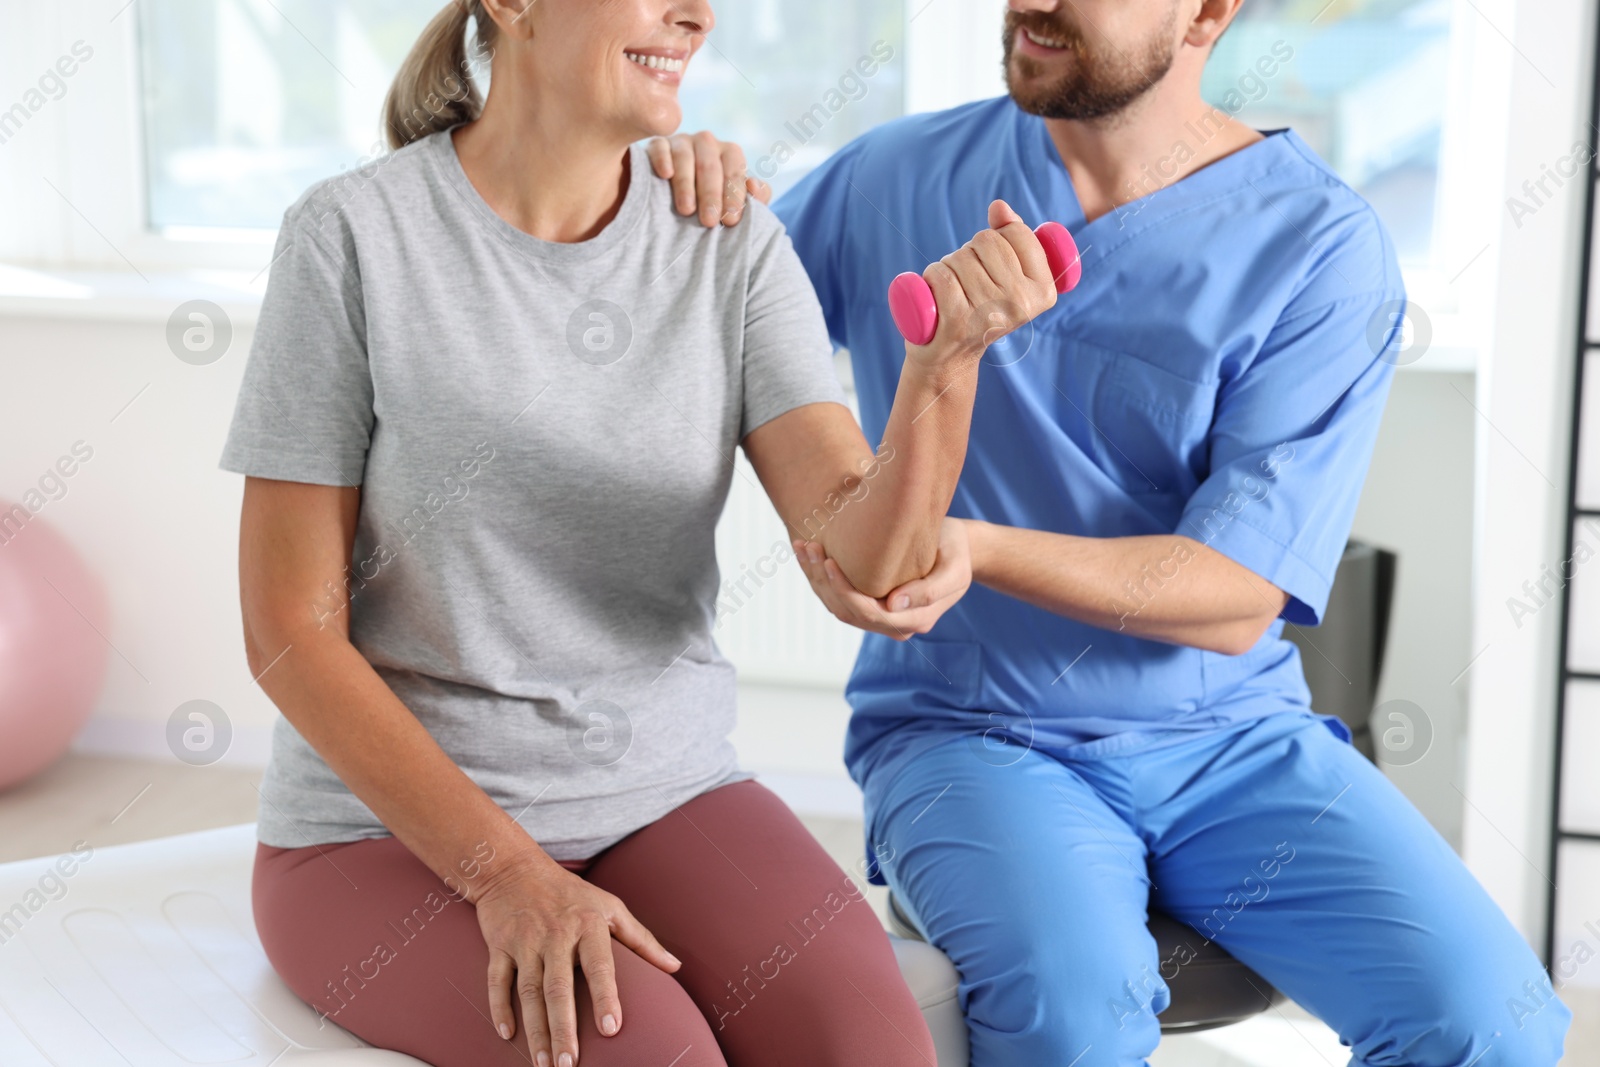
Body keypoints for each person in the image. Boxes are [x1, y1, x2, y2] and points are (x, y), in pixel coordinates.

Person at [650, 0, 1574, 1063]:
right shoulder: (889, 177)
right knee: (1074, 1006)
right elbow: (696, 321)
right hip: (972, 730)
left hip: (1232, 743)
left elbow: (1234, 594)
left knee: (1489, 1019)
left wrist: (980, 546)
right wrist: (675, 193)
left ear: (1209, 13)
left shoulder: (1318, 246)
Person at [219, 1, 1064, 1066]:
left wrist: (945, 369)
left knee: (868, 1047)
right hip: (376, 835)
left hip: (662, 792)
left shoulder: (730, 241)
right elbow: (287, 629)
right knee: (648, 1051)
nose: (698, 14)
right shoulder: (351, 235)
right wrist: (510, 875)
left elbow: (871, 563)